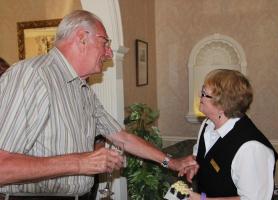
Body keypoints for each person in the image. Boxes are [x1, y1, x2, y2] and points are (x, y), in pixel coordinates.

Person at [0, 10, 197, 199]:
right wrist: (79, 162)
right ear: (81, 37)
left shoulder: (82, 89)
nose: (110, 53)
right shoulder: (32, 77)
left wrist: (172, 162)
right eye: (105, 43)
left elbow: (122, 138)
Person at [179, 69, 278, 200]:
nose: (199, 96)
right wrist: (195, 165)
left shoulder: (251, 148)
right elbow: (203, 154)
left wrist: (201, 199)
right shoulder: (208, 125)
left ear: (222, 105)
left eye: (204, 94)